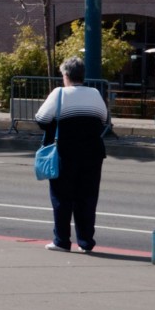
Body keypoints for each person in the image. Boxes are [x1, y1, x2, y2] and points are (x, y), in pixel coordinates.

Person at [36, 56, 111, 254]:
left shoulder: (59, 93)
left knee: (62, 197)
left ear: (66, 75)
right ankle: (86, 242)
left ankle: (61, 240)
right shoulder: (95, 93)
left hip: (65, 152)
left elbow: (41, 119)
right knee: (87, 198)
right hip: (93, 153)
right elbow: (103, 119)